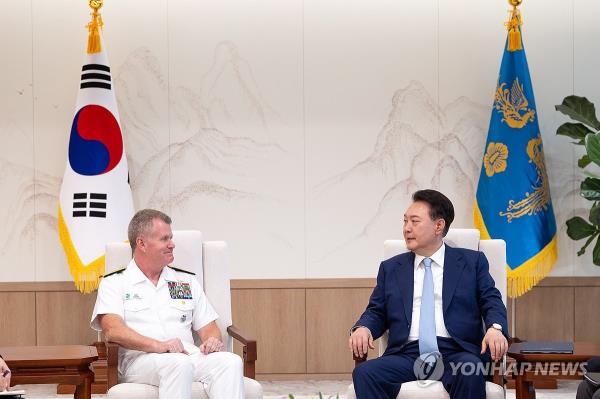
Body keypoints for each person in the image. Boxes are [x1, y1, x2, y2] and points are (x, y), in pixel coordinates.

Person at [349, 189, 508, 399]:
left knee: (470, 368)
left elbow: (491, 300)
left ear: (438, 226)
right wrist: (363, 328)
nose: (407, 228)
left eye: (415, 222)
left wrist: (495, 329)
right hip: (407, 354)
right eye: (405, 221)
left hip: (456, 352)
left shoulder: (471, 262)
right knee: (365, 373)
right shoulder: (391, 268)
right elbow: (377, 311)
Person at [91, 209, 244, 398]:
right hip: (140, 360)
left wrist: (211, 341)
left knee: (230, 362)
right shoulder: (114, 283)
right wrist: (158, 345)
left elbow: (209, 328)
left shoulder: (185, 282)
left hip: (188, 356)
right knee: (178, 364)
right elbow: (113, 331)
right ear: (142, 243)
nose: (172, 244)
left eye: (170, 238)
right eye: (164, 239)